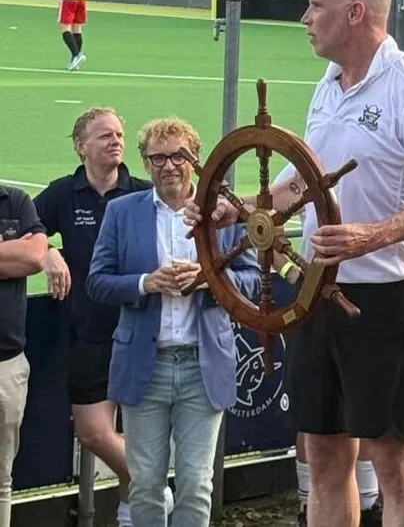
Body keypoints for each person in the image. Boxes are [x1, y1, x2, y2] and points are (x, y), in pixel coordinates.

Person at [185, 0, 404, 527]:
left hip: (385, 295)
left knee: (394, 459)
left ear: (355, 13)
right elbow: (303, 182)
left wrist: (374, 234)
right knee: (325, 454)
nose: (304, 18)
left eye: (316, 6)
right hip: (312, 291)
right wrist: (236, 208)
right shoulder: (327, 86)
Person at [87, 117, 260, 527]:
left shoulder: (222, 213)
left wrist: (209, 280)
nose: (169, 166)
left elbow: (253, 282)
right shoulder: (121, 211)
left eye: (179, 156)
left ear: (195, 160)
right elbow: (97, 281)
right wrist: (146, 283)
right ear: (146, 164)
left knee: (197, 483)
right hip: (145, 366)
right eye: (158, 158)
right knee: (144, 483)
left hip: (203, 365)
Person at [32, 107, 158, 526]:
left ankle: (132, 514)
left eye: (119, 134)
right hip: (87, 333)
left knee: (138, 436)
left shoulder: (142, 193)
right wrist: (48, 252)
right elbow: (23, 230)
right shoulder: (62, 194)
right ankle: (152, 486)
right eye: (105, 135)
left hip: (141, 331)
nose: (116, 141)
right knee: (93, 433)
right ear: (80, 145)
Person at [0, 185, 47, 527]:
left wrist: (24, 255)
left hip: (7, 363)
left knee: (1, 479)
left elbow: (33, 257)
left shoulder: (14, 201)